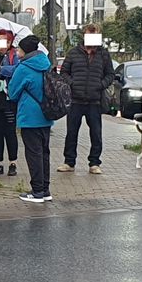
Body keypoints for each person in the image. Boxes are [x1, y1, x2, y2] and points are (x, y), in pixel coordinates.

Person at [58, 22, 115, 175]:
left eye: (94, 34)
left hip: (95, 100)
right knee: (71, 132)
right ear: (84, 35)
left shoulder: (103, 54)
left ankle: (94, 163)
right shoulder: (74, 52)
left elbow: (111, 74)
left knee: (96, 133)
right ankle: (69, 162)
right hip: (75, 100)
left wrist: (101, 84)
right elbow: (64, 72)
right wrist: (72, 83)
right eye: (89, 34)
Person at [8, 35, 53, 203]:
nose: (17, 51)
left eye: (19, 48)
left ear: (25, 50)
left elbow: (12, 93)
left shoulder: (24, 68)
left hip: (29, 116)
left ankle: (37, 191)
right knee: (44, 153)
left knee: (33, 154)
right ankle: (45, 189)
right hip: (47, 114)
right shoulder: (46, 64)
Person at [0, 31, 20, 175]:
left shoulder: (13, 56)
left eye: (1, 40)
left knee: (10, 132)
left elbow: (18, 70)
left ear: (8, 43)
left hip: (9, 101)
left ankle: (13, 162)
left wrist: (1, 69)